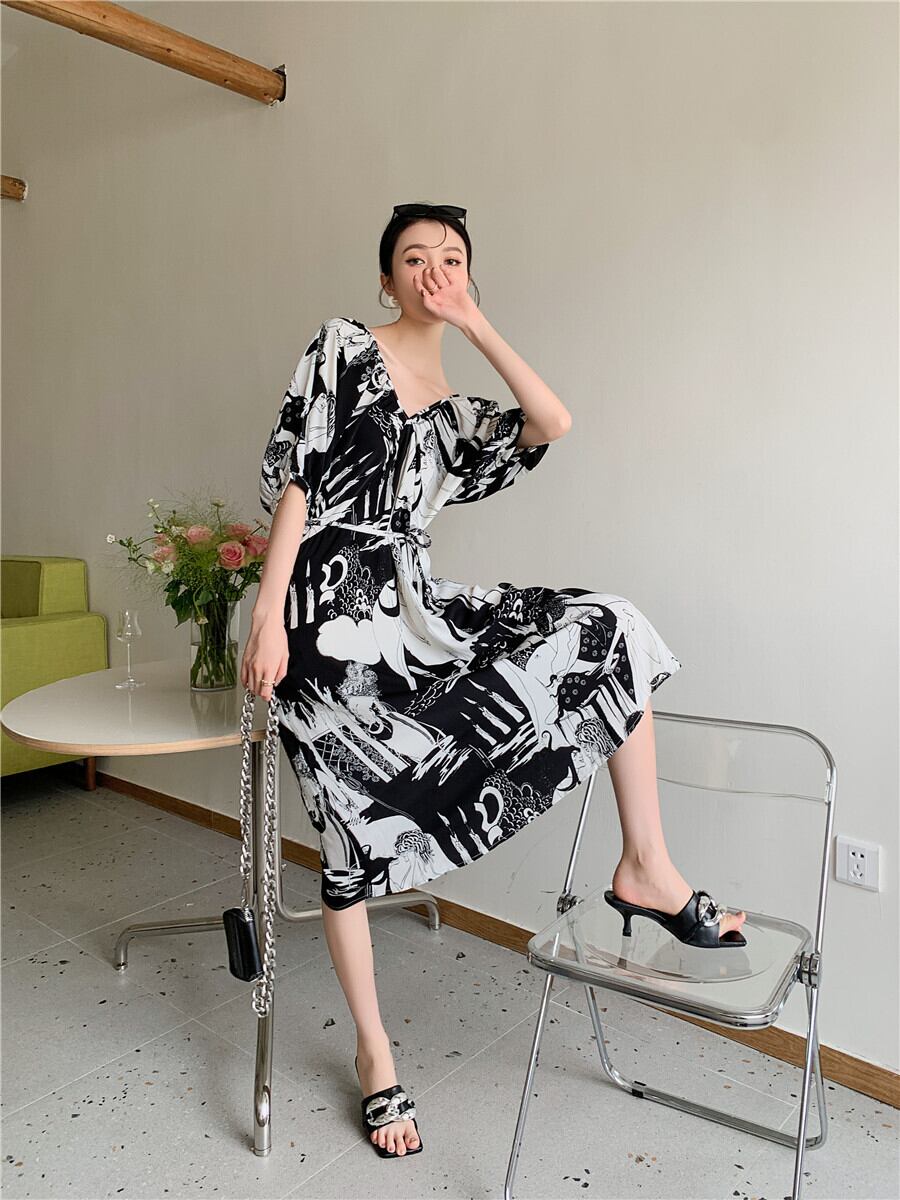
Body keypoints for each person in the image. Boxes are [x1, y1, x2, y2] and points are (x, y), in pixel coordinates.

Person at [240, 202, 747, 1160]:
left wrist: (473, 322)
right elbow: (298, 479)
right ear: (384, 279)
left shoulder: (461, 411)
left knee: (608, 631)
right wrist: (268, 614)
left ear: (469, 277)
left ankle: (645, 865)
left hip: (414, 609)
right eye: (413, 258)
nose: (432, 270)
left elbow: (552, 421)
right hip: (320, 611)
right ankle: (375, 1054)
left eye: (452, 259)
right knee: (348, 828)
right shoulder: (343, 346)